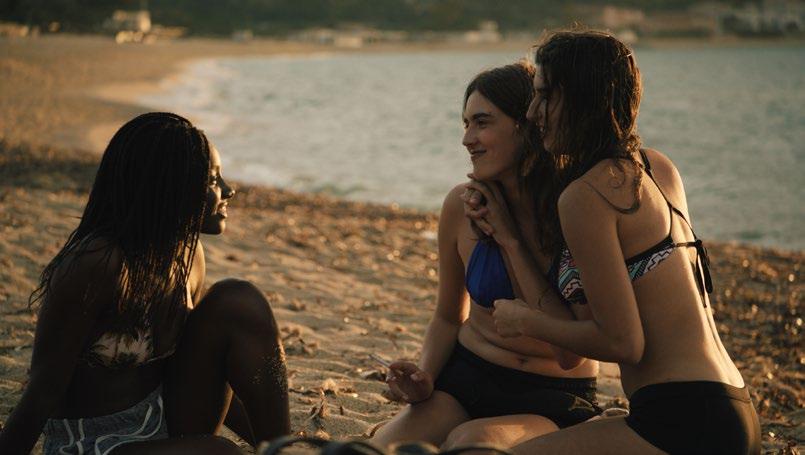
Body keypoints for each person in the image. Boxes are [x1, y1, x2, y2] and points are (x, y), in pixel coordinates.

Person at [474, 31, 761, 454]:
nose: (533, 113)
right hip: (732, 405)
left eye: (545, 96)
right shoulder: (656, 167)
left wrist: (526, 321)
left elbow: (624, 342)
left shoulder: (586, 196)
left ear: (583, 98)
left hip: (681, 417)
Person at [0, 112, 290, 454]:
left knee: (239, 301)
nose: (229, 190)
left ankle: (284, 450)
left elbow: (198, 370)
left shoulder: (188, 255)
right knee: (221, 452)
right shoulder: (98, 264)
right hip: (89, 442)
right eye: (213, 180)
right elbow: (42, 392)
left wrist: (267, 440)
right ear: (171, 185)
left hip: (163, 422)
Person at [371, 62, 601, 450]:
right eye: (465, 124)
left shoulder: (572, 210)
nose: (467, 139)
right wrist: (425, 377)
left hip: (551, 396)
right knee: (380, 450)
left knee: (471, 443)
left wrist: (509, 239)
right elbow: (448, 316)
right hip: (465, 379)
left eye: (482, 122)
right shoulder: (461, 206)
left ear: (528, 124)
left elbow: (571, 355)